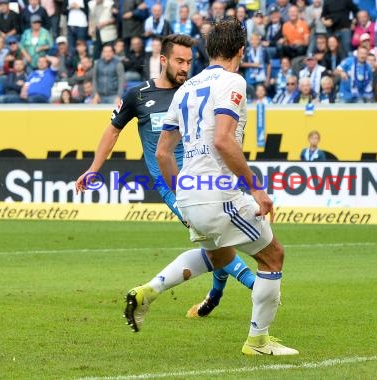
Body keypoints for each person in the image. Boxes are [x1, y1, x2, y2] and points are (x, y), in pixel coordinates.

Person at [126, 19, 298, 356]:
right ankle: (258, 341)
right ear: (241, 51)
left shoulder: (186, 88)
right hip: (218, 192)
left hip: (189, 193)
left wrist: (185, 193)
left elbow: (163, 152)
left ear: (208, 50)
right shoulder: (233, 81)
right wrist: (258, 190)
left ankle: (149, 291)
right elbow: (222, 140)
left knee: (221, 255)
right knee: (273, 255)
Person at [75, 33, 257, 321]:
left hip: (209, 175)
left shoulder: (194, 90)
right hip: (173, 185)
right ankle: (256, 286)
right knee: (215, 235)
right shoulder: (138, 95)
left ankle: (215, 295)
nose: (185, 67)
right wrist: (94, 168)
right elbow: (113, 130)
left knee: (215, 236)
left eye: (189, 61)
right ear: (163, 60)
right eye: (179, 61)